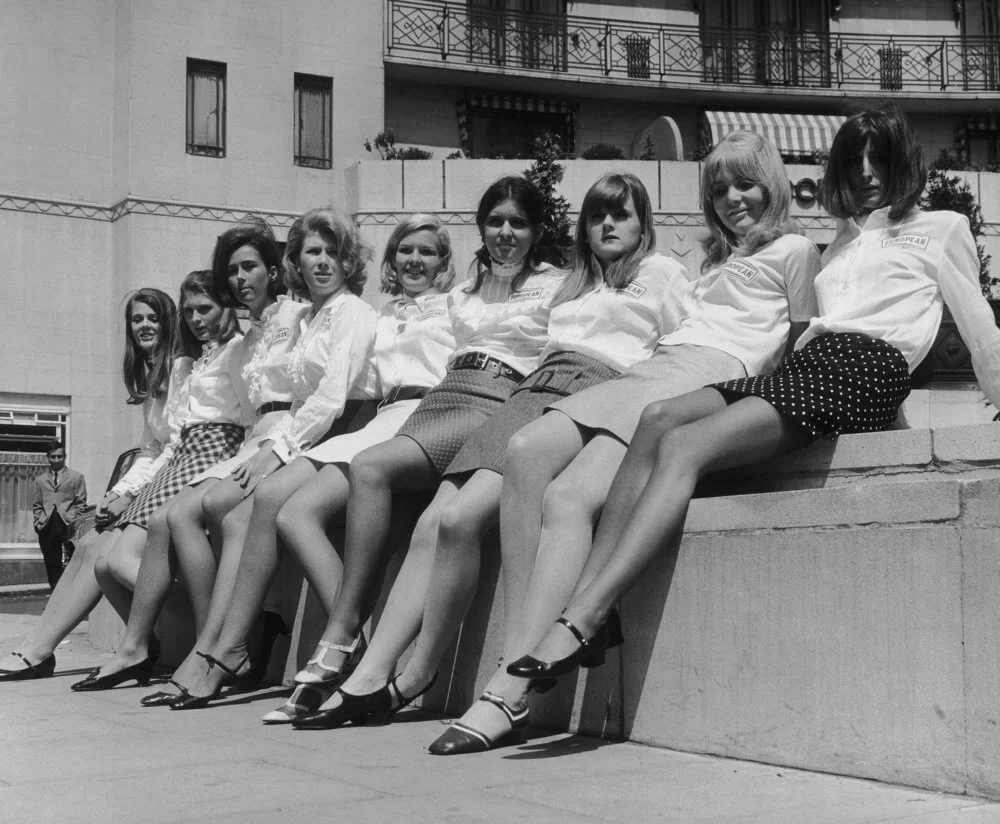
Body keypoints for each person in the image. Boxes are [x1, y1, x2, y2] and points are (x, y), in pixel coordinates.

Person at [503, 105, 1000, 723]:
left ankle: (586, 614)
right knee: (657, 418)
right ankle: (587, 609)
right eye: (854, 160)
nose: (868, 173)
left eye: (881, 159)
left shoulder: (943, 227)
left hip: (869, 366)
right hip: (808, 365)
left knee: (686, 446)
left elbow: (979, 329)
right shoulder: (840, 241)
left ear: (905, 163)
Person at [434, 130, 823, 753]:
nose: (732, 198)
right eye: (719, 188)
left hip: (709, 371)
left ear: (773, 185)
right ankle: (520, 652)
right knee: (526, 450)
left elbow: (802, 337)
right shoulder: (713, 262)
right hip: (659, 364)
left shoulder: (796, 249)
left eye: (746, 184)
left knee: (566, 500)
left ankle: (507, 689)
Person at [298, 173, 687, 736]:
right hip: (534, 389)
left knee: (464, 518)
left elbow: (682, 345)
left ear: (643, 222)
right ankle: (374, 673)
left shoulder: (660, 272)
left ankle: (451, 677)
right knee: (437, 521)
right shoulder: (577, 281)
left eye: (621, 214)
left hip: (596, 390)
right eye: (597, 214)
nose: (607, 224)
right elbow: (503, 330)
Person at [288, 175, 568, 729]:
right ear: (481, 229)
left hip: (499, 396)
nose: (505, 232)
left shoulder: (557, 284)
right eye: (495, 221)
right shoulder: (461, 293)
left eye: (518, 222)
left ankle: (345, 636)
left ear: (537, 230)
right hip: (446, 392)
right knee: (417, 523)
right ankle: (372, 673)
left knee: (372, 468)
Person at [173, 213, 457, 718]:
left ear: (348, 260)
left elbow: (335, 394)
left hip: (364, 422)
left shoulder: (355, 310)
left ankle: (319, 642)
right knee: (245, 512)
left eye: (332, 252)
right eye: (312, 252)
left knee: (281, 506)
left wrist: (279, 449)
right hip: (340, 426)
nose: (323, 262)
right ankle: (228, 646)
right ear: (296, 262)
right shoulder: (313, 318)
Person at [128, 209, 380, 708]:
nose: (241, 279)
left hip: (309, 431)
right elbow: (254, 408)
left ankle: (224, 647)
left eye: (250, 267)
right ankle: (217, 644)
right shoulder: (268, 330)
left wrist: (277, 448)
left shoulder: (302, 314)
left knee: (230, 507)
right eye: (233, 271)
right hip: (271, 433)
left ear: (274, 268)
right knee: (185, 513)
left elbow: (319, 397)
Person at [0, 288, 178, 682]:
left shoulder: (181, 369)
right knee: (87, 544)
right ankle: (38, 647)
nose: (144, 326)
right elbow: (151, 448)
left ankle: (61, 650)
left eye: (153, 318)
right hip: (156, 478)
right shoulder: (150, 374)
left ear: (169, 322)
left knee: (104, 552)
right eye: (137, 319)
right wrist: (118, 492)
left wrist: (129, 494)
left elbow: (178, 447)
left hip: (180, 480)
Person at [69, 269, 248, 690]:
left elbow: (245, 415)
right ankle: (140, 648)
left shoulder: (229, 352)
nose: (196, 318)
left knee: (121, 556)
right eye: (189, 311)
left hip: (213, 451)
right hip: (186, 452)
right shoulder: (199, 359)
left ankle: (217, 633)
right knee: (103, 561)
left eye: (205, 308)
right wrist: (122, 491)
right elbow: (161, 442)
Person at [31, 441, 87, 590]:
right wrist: (38, 522)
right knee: (51, 562)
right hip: (47, 524)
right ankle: (55, 594)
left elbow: (81, 502)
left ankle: (72, 592)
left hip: (68, 523)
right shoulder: (40, 480)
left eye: (59, 456)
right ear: (48, 457)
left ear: (64, 457)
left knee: (74, 558)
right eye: (53, 457)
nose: (56, 460)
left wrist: (76, 522)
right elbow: (37, 504)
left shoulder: (76, 477)